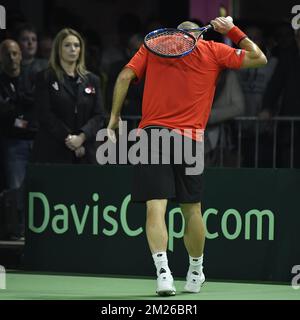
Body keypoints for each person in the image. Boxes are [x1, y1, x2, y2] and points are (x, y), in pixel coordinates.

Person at [107, 17, 267, 296]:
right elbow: (259, 58)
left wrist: (114, 118)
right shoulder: (214, 50)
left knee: (156, 207)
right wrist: (231, 30)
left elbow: (123, 77)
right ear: (199, 37)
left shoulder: (155, 46)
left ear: (174, 37)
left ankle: (163, 274)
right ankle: (195, 272)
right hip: (189, 140)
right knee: (192, 209)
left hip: (152, 136)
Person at [31, 28, 105, 164]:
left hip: (85, 152)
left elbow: (99, 115)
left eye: (76, 45)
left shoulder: (93, 79)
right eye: (67, 45)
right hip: (53, 150)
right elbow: (45, 114)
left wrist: (81, 138)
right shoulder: (45, 77)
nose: (73, 49)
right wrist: (70, 139)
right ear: (58, 49)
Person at [0, 39, 36, 239]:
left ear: (21, 56)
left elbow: (36, 105)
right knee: (16, 188)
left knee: (37, 186)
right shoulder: (1, 82)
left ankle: (38, 228)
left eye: (15, 53)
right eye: (7, 54)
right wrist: (20, 110)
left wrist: (18, 107)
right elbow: (5, 114)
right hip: (13, 143)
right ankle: (18, 230)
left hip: (36, 140)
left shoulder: (31, 78)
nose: (12, 58)